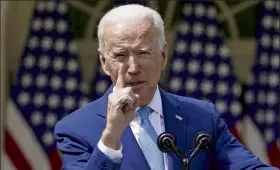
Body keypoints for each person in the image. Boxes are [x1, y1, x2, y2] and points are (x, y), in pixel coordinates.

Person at [54, 4, 278, 170]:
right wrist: (111, 137)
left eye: (143, 53)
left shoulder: (202, 117)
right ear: (104, 63)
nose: (132, 67)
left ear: (163, 55)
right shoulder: (75, 128)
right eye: (120, 55)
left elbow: (248, 167)